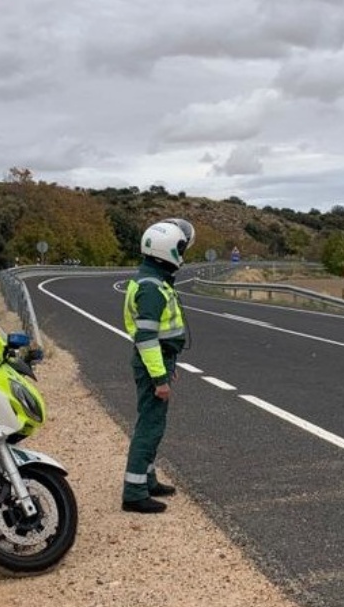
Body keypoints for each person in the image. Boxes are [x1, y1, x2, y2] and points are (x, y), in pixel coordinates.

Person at [121, 218, 194, 513]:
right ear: (168, 251)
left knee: (154, 423)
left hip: (161, 359)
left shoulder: (153, 279)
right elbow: (147, 338)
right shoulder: (151, 287)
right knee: (150, 426)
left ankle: (147, 479)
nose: (183, 252)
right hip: (153, 360)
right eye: (180, 247)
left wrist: (167, 365)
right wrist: (160, 378)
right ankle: (134, 492)